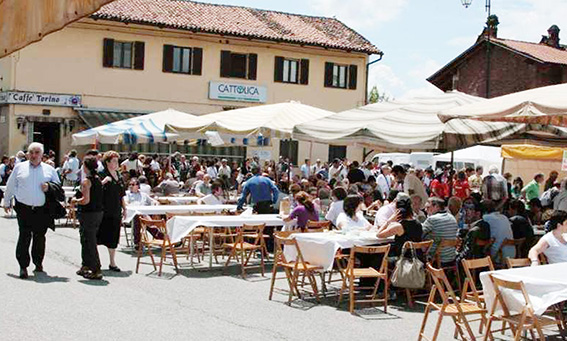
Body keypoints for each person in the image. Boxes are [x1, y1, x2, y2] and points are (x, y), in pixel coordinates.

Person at [3, 142, 61, 279]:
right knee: (24, 236)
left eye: (37, 153)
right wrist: (6, 201)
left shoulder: (49, 169)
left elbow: (58, 186)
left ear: (42, 155)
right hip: (24, 208)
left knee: (39, 237)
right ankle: (23, 266)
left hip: (42, 209)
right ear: (28, 154)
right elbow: (11, 185)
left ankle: (38, 262)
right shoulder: (19, 168)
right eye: (31, 152)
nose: (34, 155)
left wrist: (49, 187)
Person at [71, 155, 104, 280]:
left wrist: (75, 200)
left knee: (89, 240)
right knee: (85, 238)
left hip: (88, 213)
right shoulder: (98, 179)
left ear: (85, 167)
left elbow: (85, 200)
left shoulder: (86, 181)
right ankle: (86, 265)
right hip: (98, 212)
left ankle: (96, 268)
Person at [97, 151, 126, 272]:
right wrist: (103, 182)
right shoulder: (101, 174)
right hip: (103, 210)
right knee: (98, 236)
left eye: (117, 161)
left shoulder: (118, 175)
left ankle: (112, 262)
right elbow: (94, 189)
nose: (116, 163)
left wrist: (125, 208)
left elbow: (121, 194)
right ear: (107, 162)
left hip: (115, 209)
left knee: (114, 236)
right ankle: (94, 261)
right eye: (114, 161)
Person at [422, 197, 458, 264]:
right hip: (451, 256)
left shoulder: (432, 219)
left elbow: (420, 233)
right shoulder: (452, 217)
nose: (425, 210)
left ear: (436, 207)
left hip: (437, 257)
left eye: (428, 207)